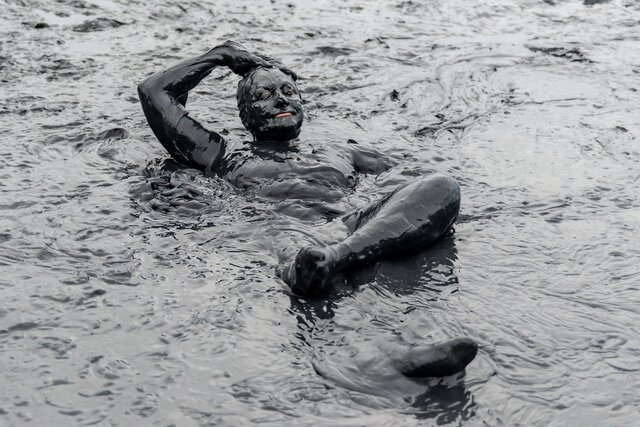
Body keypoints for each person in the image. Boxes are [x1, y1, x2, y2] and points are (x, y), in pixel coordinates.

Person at [138, 41, 477, 377]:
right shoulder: (220, 155)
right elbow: (154, 91)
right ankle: (386, 354)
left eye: (288, 90)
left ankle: (339, 260)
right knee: (315, 266)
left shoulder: (343, 153)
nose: (281, 99)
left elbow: (411, 183)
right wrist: (219, 57)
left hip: (349, 226)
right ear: (245, 114)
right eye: (264, 94)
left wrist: (394, 215)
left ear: (303, 104)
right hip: (283, 227)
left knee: (443, 185)